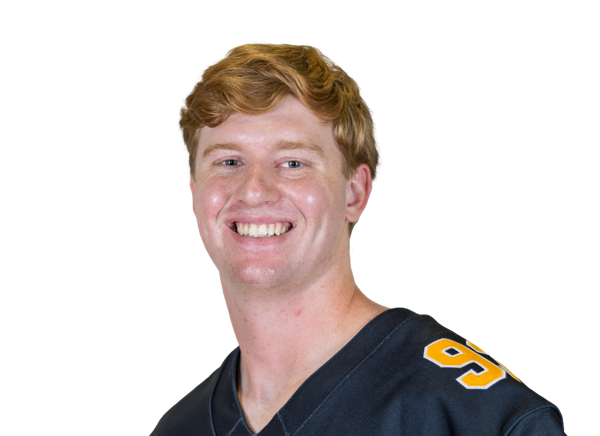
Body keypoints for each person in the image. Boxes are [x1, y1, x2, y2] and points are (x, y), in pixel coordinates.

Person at [150, 41, 566, 435]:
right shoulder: (178, 428)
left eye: (292, 163)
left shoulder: (475, 416)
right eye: (228, 161)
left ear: (354, 192)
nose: (254, 190)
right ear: (194, 191)